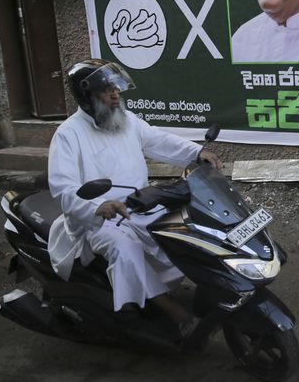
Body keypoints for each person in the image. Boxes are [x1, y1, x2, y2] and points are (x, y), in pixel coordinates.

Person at [47, 59, 224, 335]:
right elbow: (63, 188)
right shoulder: (68, 135)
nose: (116, 95)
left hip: (140, 205)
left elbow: (157, 140)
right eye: (107, 91)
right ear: (87, 96)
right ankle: (170, 309)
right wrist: (97, 207)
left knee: (184, 233)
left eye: (117, 89)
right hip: (96, 219)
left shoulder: (126, 121)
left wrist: (196, 153)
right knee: (124, 247)